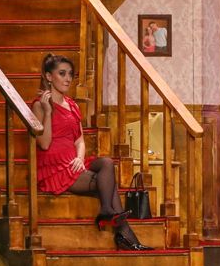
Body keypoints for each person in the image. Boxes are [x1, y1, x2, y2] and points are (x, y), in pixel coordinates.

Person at [30, 54, 150, 251]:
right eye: (62, 73)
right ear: (49, 77)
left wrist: (79, 157)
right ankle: (126, 235)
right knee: (108, 184)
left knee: (107, 163)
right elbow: (43, 144)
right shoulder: (39, 105)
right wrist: (48, 112)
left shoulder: (72, 105)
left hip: (73, 161)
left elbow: (79, 140)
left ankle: (108, 213)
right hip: (55, 167)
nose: (68, 79)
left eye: (70, 74)